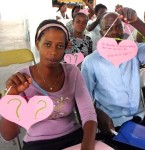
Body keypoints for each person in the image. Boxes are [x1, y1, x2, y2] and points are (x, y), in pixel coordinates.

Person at [0, 19, 97, 150]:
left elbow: (88, 114)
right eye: (47, 44)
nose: (53, 52)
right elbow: (8, 135)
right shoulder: (21, 80)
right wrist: (12, 97)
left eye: (60, 46)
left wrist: (87, 147)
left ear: (65, 47)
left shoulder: (72, 72)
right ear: (37, 44)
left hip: (73, 137)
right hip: (38, 143)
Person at [81, 8, 145, 149]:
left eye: (118, 27)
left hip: (139, 117)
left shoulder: (133, 50)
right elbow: (85, 100)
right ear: (101, 33)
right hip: (113, 122)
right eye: (108, 28)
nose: (114, 32)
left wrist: (137, 22)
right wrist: (98, 114)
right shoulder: (91, 61)